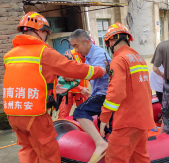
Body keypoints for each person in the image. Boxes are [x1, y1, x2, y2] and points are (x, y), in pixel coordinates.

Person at [3, 12, 106, 163]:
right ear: (40, 31)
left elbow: (25, 81)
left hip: (13, 114)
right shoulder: (43, 52)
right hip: (35, 115)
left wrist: (52, 89)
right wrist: (99, 71)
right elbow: (72, 69)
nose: (46, 37)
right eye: (46, 33)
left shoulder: (9, 55)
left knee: (27, 149)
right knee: (48, 153)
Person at [99, 22, 155, 163]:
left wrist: (104, 117)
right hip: (143, 119)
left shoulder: (118, 60)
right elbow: (146, 89)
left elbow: (116, 92)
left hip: (127, 120)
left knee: (114, 159)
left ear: (111, 41)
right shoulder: (139, 58)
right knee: (140, 158)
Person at [69, 29, 112, 163]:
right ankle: (107, 147)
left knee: (80, 111)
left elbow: (94, 73)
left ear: (86, 42)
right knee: (103, 125)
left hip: (105, 95)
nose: (75, 50)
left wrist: (71, 70)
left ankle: (101, 143)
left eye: (76, 46)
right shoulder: (88, 57)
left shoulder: (99, 54)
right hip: (98, 94)